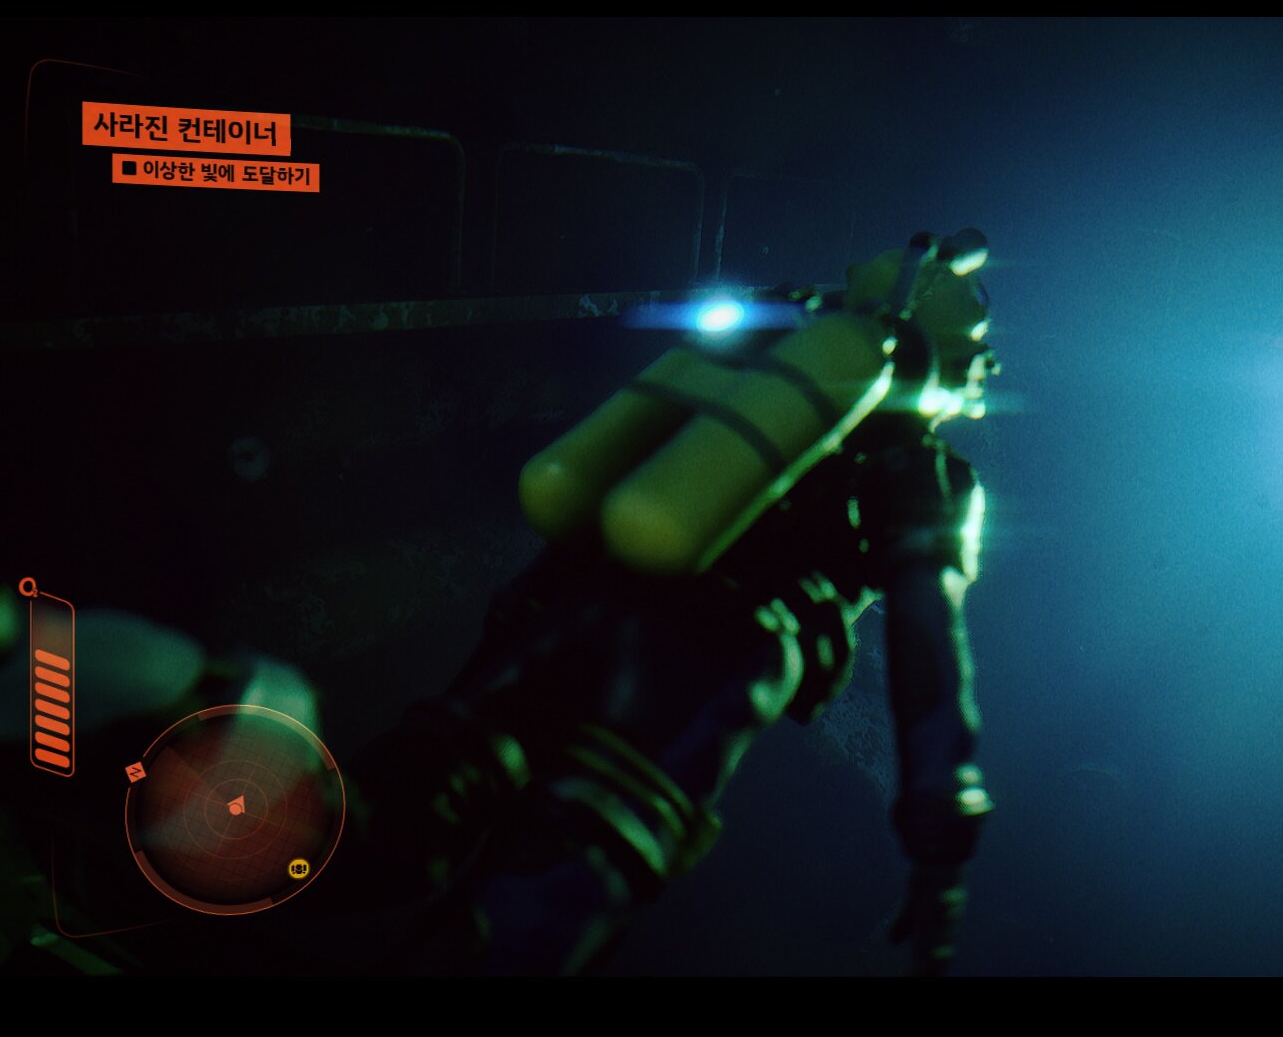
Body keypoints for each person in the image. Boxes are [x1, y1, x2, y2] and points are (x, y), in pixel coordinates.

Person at [332, 230, 1000, 976]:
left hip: (570, 604)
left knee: (383, 816)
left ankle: (241, 794)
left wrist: (515, 624)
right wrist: (941, 831)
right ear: (955, 363)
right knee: (525, 915)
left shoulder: (747, 376)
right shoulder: (925, 473)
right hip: (703, 670)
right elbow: (928, 641)